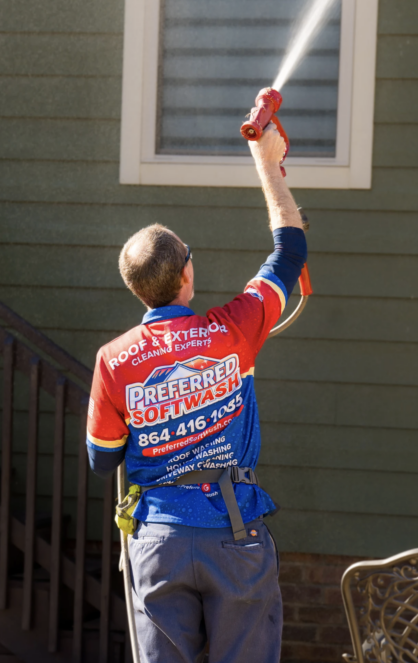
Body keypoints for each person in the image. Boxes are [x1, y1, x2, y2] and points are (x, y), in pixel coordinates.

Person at [85, 124, 307, 663]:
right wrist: (265, 161)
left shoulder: (114, 359)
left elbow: (103, 458)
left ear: (136, 288)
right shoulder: (235, 328)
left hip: (158, 539)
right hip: (233, 535)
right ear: (187, 271)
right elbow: (291, 249)